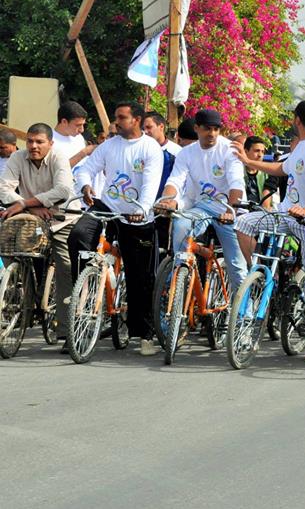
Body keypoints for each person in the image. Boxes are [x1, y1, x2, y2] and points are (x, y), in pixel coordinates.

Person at [234, 101, 305, 361]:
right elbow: (281, 168)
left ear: (297, 119)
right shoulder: (299, 147)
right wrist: (246, 161)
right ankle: (260, 274)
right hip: (285, 215)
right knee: (243, 223)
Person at [69, 101, 164, 356]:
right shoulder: (109, 145)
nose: (116, 121)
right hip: (107, 206)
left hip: (136, 213)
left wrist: (141, 209)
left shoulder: (150, 148)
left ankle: (143, 334)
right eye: (116, 117)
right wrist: (86, 186)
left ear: (136, 120)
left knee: (140, 277)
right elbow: (85, 170)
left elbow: (150, 185)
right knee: (78, 236)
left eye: (121, 117)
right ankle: (83, 293)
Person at [0, 123, 75, 349]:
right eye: (30, 141)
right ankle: (17, 303)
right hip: (30, 217)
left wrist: (24, 202)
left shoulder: (59, 158)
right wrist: (29, 207)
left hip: (61, 219)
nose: (34, 146)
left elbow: (62, 191)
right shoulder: (17, 158)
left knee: (65, 265)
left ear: (50, 144)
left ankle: (65, 328)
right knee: (11, 250)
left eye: (39, 142)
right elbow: (4, 189)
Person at [157, 109, 246, 294]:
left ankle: (245, 312)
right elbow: (174, 180)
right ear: (197, 128)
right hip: (201, 207)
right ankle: (181, 277)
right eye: (207, 129)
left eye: (216, 129)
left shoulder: (230, 150)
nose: (212, 133)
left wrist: (231, 211)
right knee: (180, 223)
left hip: (229, 209)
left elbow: (236, 183)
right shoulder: (187, 153)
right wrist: (167, 201)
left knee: (236, 264)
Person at [242, 136, 278, 209]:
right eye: (256, 151)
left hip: (262, 214)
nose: (260, 155)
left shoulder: (268, 173)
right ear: (245, 151)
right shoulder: (238, 171)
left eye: (263, 152)